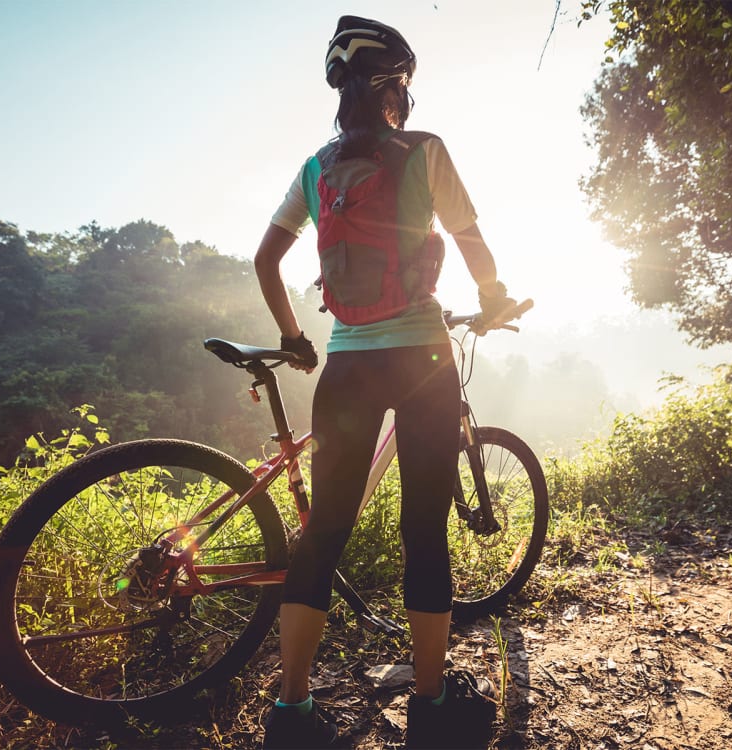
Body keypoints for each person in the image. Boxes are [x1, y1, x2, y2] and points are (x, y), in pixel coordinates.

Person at [254, 15, 518, 750]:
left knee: (322, 531)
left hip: (345, 365)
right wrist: (494, 298)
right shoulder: (424, 150)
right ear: (397, 84)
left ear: (341, 91)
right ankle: (430, 708)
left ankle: (291, 713)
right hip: (424, 361)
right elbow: (470, 242)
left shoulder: (316, 166)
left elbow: (266, 261)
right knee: (423, 529)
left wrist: (292, 337)